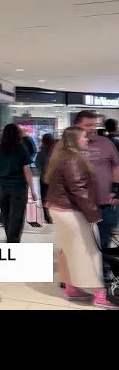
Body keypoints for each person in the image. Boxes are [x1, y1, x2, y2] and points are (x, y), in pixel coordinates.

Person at [45, 126, 116, 308]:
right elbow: (79, 189)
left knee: (69, 250)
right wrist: (93, 215)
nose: (87, 140)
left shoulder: (62, 156)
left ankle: (71, 288)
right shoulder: (73, 159)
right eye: (84, 137)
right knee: (88, 251)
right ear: (75, 139)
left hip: (59, 209)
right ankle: (100, 294)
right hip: (71, 212)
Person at [75, 110, 119, 283]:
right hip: (79, 204)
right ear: (77, 125)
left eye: (94, 125)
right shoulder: (68, 145)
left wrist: (116, 190)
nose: (92, 129)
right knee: (81, 241)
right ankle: (81, 275)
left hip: (106, 202)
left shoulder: (106, 143)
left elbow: (116, 166)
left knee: (104, 239)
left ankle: (102, 272)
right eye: (88, 125)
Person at [0, 124, 37, 243]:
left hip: (2, 186)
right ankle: (13, 240)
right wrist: (33, 190)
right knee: (17, 215)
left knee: (5, 213)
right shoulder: (21, 148)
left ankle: (9, 237)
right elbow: (27, 170)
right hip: (19, 187)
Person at [35, 133, 56, 224]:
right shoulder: (55, 152)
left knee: (44, 197)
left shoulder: (40, 153)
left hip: (44, 178)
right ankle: (53, 214)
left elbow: (37, 164)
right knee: (53, 196)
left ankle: (47, 216)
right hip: (54, 178)